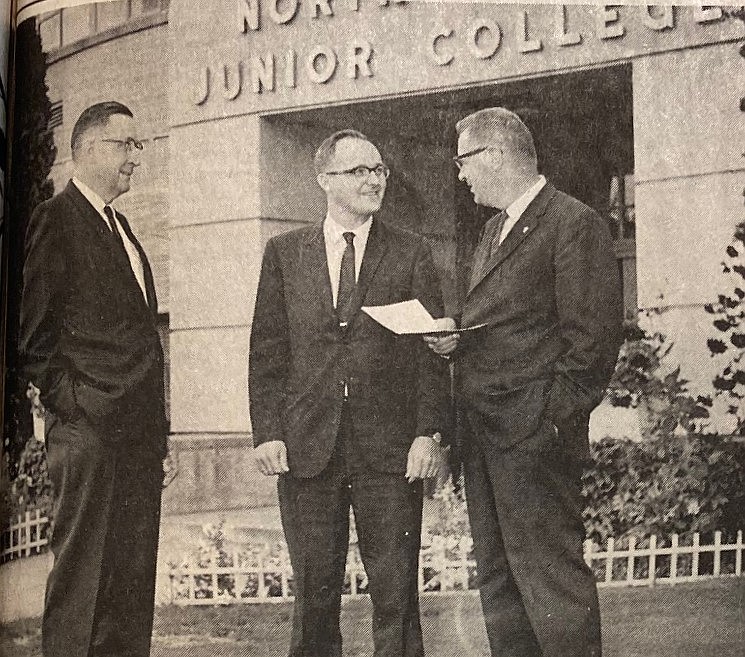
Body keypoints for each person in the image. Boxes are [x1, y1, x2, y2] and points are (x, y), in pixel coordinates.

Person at [425, 108, 623, 657]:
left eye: (464, 162)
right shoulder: (493, 229)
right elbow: (510, 324)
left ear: (496, 154)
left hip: (532, 437)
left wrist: (547, 422)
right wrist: (456, 335)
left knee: (550, 578)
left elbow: (592, 342)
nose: (461, 176)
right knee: (499, 578)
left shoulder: (572, 222)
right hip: (485, 436)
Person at [249, 129, 450, 657]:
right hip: (308, 451)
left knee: (397, 597)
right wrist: (267, 432)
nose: (373, 180)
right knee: (314, 599)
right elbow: (267, 353)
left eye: (378, 170)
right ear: (324, 180)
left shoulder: (413, 253)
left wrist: (427, 434)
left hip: (389, 454)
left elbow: (430, 355)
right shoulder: (284, 253)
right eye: (358, 171)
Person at [20, 101, 167, 657]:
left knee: (129, 587)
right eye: (125, 145)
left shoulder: (122, 226)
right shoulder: (55, 220)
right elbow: (33, 345)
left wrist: (158, 434)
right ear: (84, 150)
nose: (136, 158)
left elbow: (141, 341)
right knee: (84, 586)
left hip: (137, 441)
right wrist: (82, 409)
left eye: (139, 146)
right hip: (90, 437)